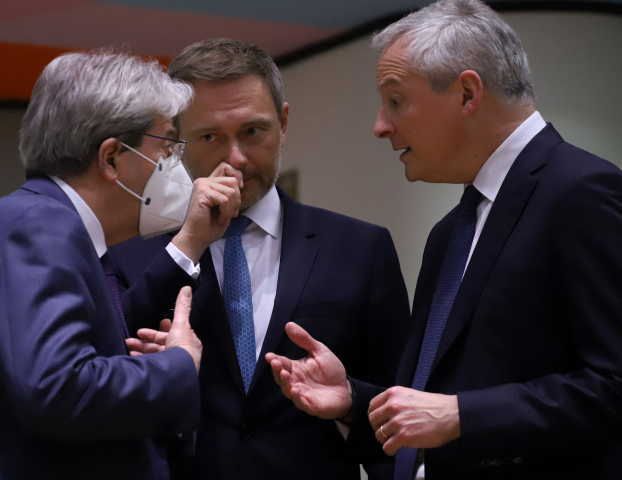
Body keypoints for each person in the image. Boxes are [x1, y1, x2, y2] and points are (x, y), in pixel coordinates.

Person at [265, 1, 622, 479]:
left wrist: (462, 416)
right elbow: (437, 410)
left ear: (467, 93)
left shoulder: (582, 192)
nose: (380, 126)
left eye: (396, 100)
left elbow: (614, 384)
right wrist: (353, 401)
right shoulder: (450, 232)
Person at [0, 50, 243, 480]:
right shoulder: (40, 229)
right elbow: (56, 387)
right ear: (112, 158)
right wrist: (176, 364)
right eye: (167, 144)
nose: (175, 163)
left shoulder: (58, 227)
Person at [108, 39, 411, 480]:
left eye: (253, 131)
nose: (237, 158)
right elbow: (99, 393)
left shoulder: (361, 249)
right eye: (210, 136)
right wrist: (190, 243)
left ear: (283, 123)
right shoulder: (131, 260)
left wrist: (347, 401)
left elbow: (397, 411)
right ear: (175, 140)